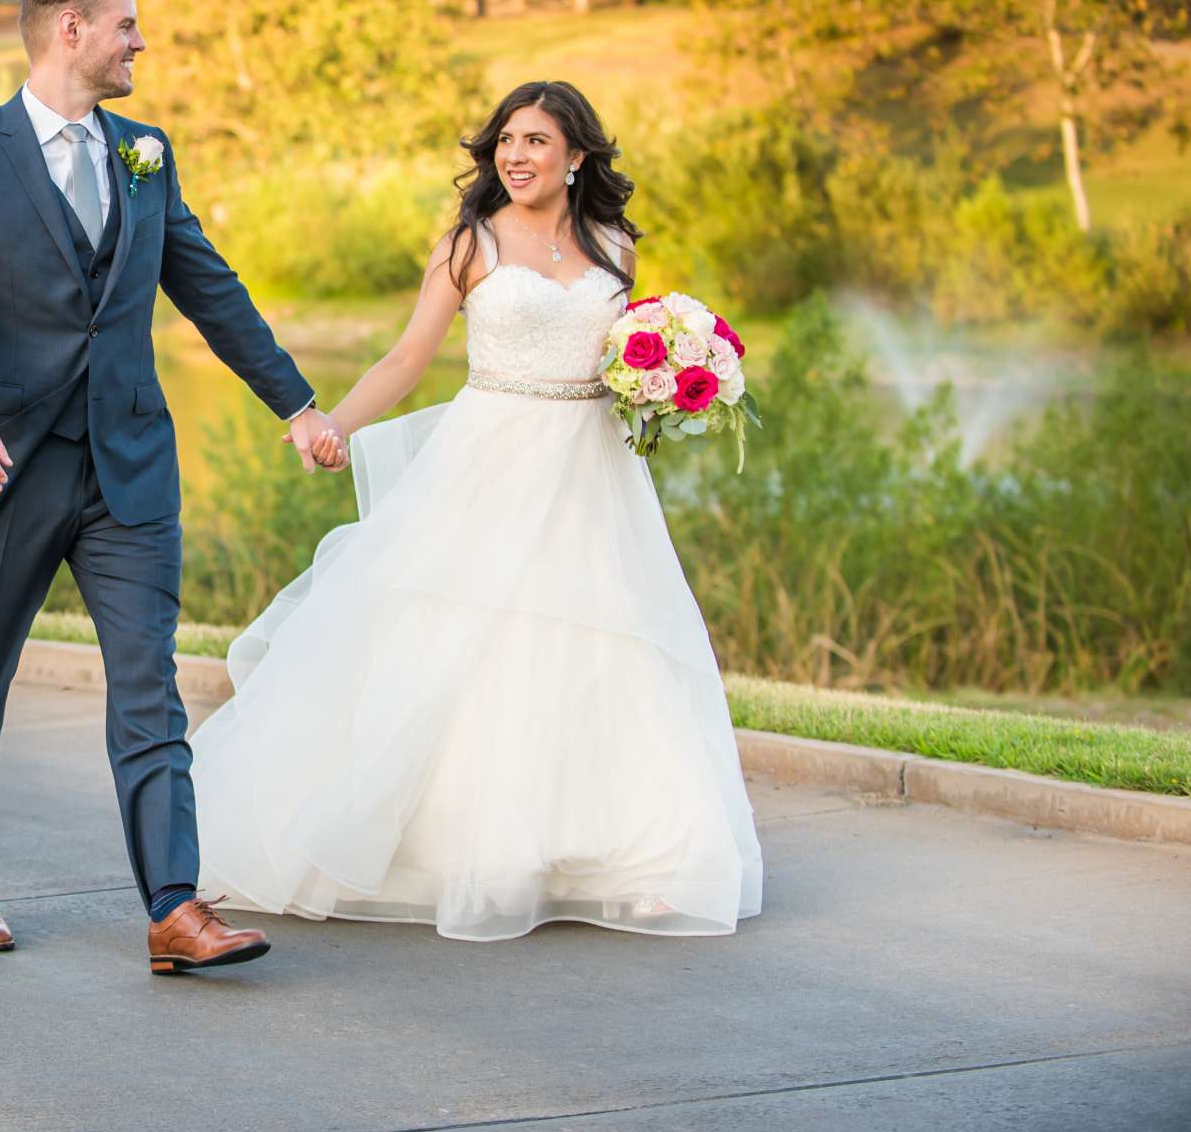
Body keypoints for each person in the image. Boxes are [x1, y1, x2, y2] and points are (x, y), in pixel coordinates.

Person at [191, 80, 765, 940]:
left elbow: (614, 360)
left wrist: (669, 388)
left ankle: (633, 855)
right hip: (490, 459)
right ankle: (461, 852)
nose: (516, 156)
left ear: (577, 157)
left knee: (603, 645)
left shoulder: (615, 246)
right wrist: (335, 423)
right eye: (506, 140)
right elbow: (407, 356)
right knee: (464, 645)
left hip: (593, 471)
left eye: (537, 141)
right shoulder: (470, 244)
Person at [0, 0, 340, 975]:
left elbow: (209, 289)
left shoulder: (146, 153)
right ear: (70, 32)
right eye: (127, 24)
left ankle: (174, 906)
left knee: (149, 686)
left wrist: (297, 402)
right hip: (2, 465)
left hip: (129, 466)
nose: (142, 40)